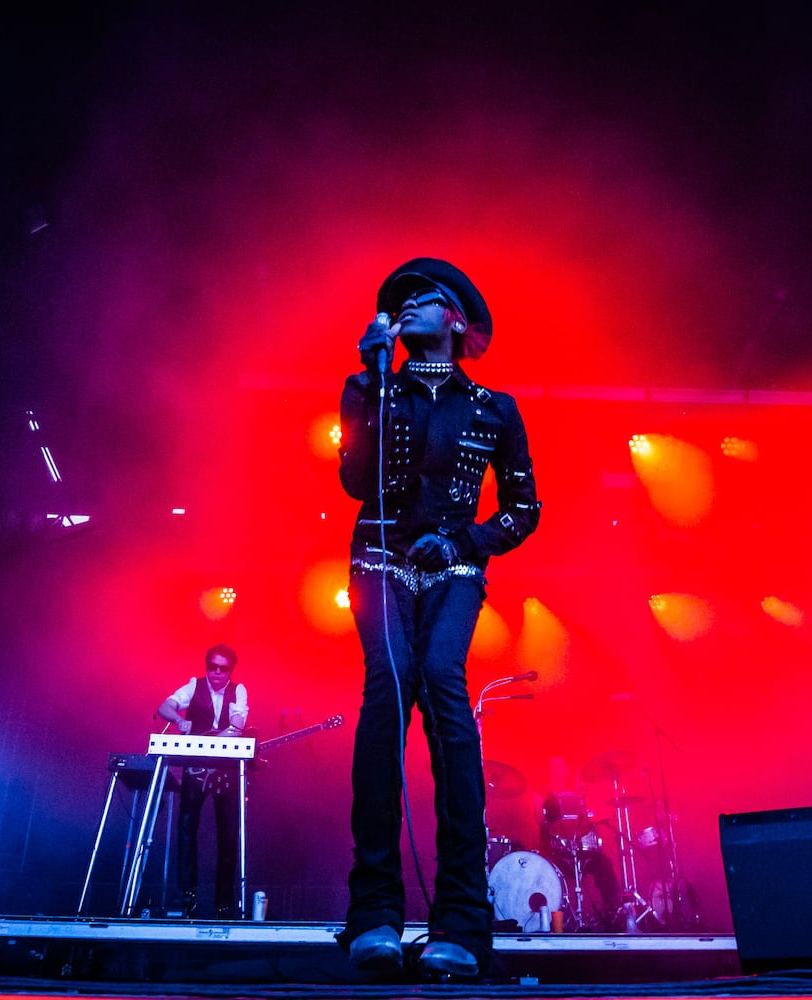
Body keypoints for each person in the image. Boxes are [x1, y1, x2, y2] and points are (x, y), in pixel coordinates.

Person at [334, 258, 541, 977]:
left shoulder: (493, 408)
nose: (407, 307)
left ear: (454, 319)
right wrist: (370, 381)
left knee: (443, 688)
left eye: (422, 299)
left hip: (452, 564)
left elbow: (523, 511)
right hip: (379, 559)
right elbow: (355, 482)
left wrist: (462, 539)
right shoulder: (371, 389)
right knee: (387, 692)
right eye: (400, 303)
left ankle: (461, 920)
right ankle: (374, 916)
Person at [156, 643, 248, 918]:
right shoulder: (193, 686)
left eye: (223, 669)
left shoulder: (238, 690)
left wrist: (231, 724)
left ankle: (224, 904)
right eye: (212, 667)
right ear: (207, 666)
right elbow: (165, 706)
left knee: (229, 835)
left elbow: (238, 722)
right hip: (195, 766)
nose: (217, 673)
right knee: (186, 829)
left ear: (230, 670)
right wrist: (178, 720)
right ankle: (186, 898)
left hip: (226, 768)